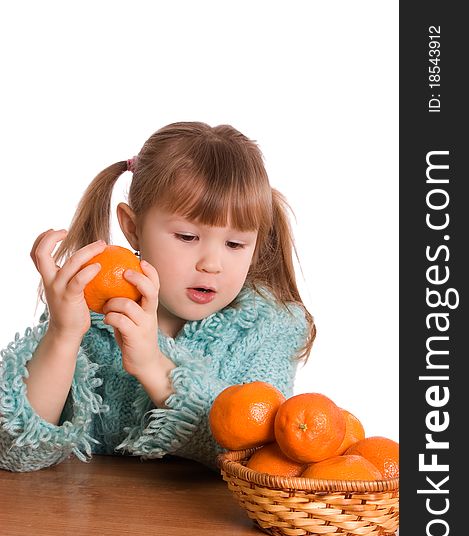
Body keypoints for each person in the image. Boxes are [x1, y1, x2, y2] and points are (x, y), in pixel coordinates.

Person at [0, 121, 316, 473]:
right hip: (88, 519)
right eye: (186, 236)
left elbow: (259, 457)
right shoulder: (87, 316)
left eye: (234, 244)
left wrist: (152, 364)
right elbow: (16, 452)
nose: (211, 264)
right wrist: (63, 335)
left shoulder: (269, 327)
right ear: (133, 228)